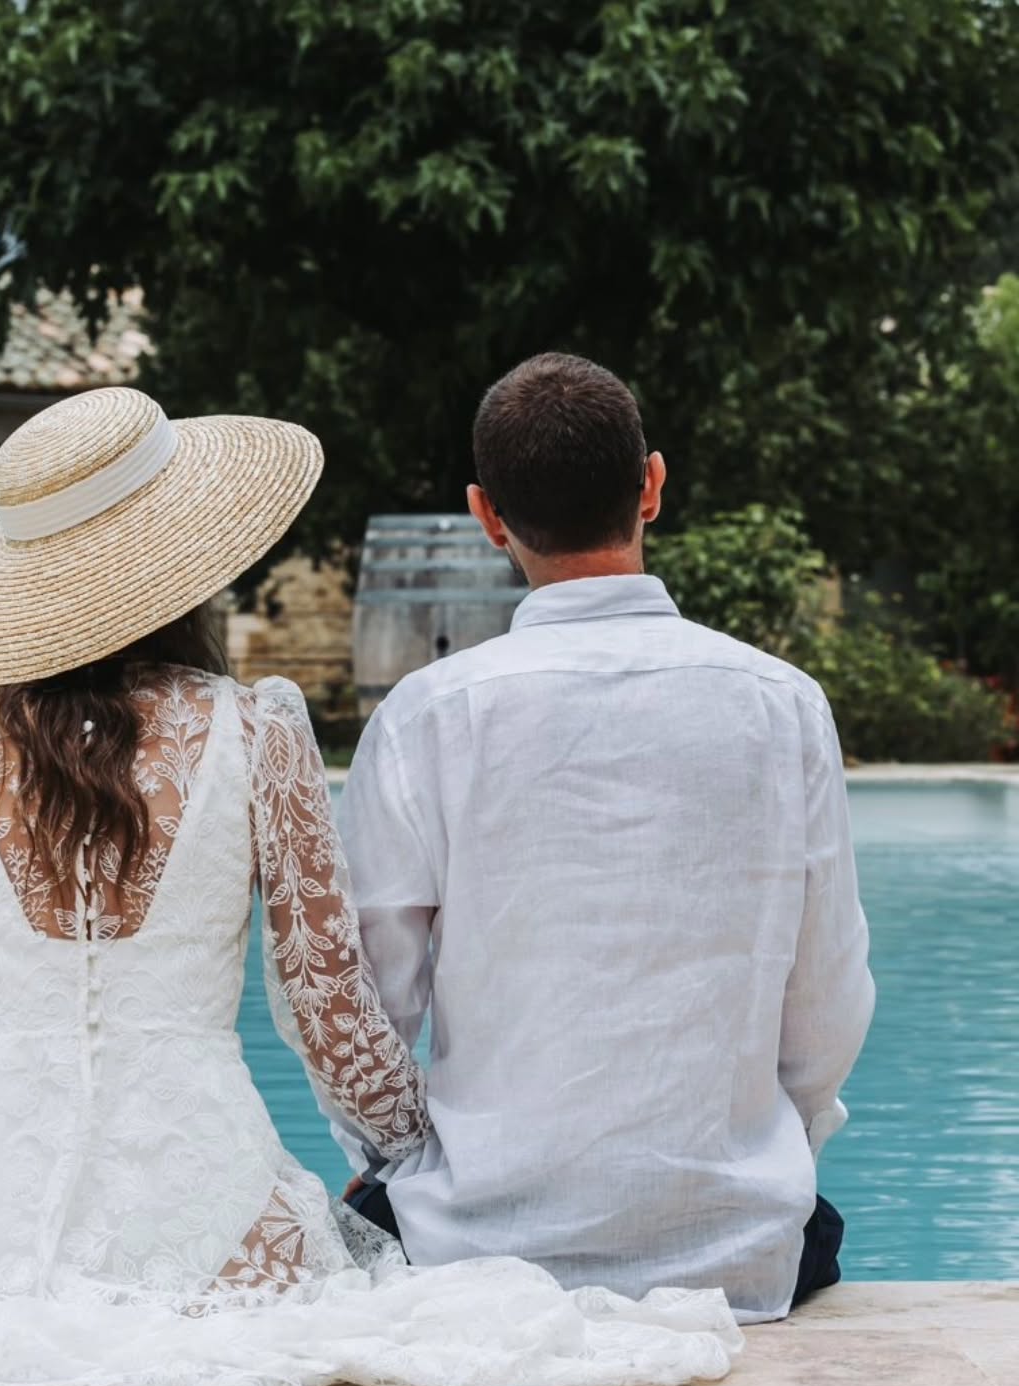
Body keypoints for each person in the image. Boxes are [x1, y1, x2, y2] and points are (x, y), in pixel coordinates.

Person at [0, 385, 740, 1386]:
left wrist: (7, 1130)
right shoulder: (257, 725)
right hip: (218, 1211)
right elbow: (330, 1019)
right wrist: (420, 1149)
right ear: (181, 557)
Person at [339, 353, 875, 1325]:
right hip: (738, 1244)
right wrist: (768, 1152)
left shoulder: (427, 715)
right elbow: (827, 999)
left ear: (486, 514)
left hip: (469, 1244)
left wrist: (394, 1163)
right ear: (652, 486)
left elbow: (370, 1007)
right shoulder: (783, 704)